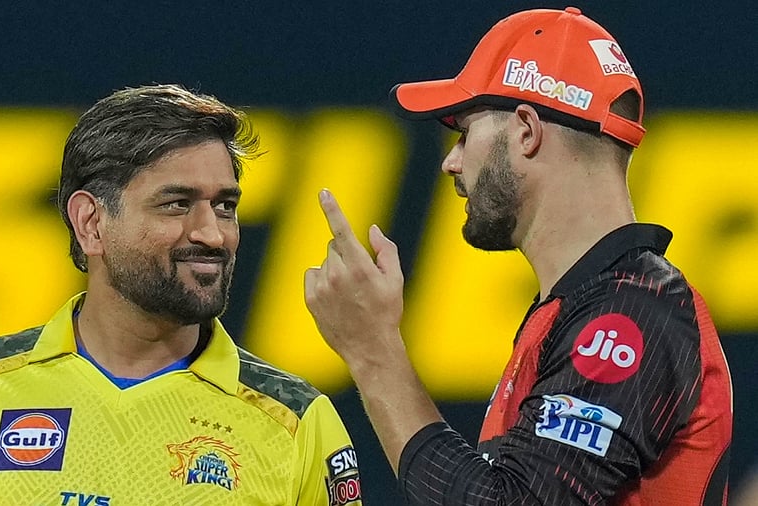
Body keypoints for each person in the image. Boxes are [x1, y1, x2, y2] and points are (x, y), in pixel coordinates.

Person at [304, 7, 732, 505]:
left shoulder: (629, 315)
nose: (451, 162)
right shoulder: (584, 307)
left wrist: (374, 352)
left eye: (465, 133)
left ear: (526, 130)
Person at [0, 84, 363, 505]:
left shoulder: (295, 421)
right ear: (91, 223)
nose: (213, 234)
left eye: (224, 206)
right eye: (176, 204)